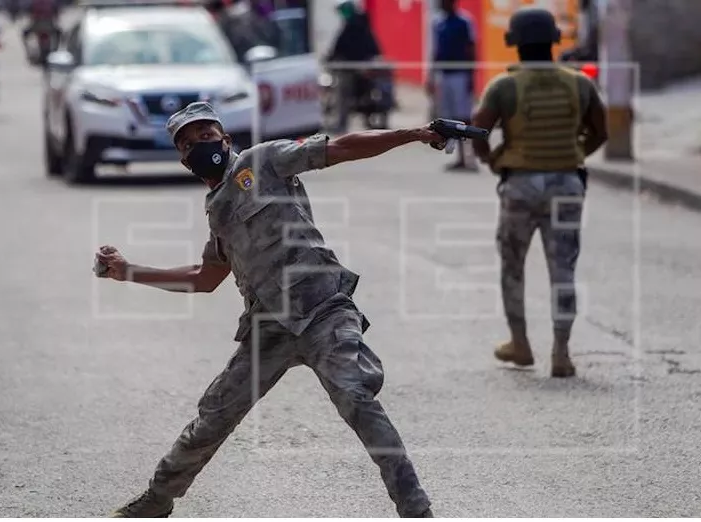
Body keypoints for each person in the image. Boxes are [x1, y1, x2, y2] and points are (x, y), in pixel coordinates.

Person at [96, 101, 456, 518]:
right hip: (268, 325)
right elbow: (205, 277)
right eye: (188, 143)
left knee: (357, 398)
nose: (199, 145)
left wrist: (412, 134)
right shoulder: (217, 210)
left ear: (225, 140)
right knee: (213, 415)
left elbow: (340, 148)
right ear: (182, 158)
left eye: (206, 135)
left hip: (323, 308)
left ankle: (417, 510)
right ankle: (157, 500)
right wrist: (128, 272)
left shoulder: (263, 161)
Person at [469, 6, 608, 378]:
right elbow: (600, 131)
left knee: (512, 266)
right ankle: (561, 353)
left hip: (520, 185)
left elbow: (477, 131)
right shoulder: (579, 82)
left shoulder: (503, 86)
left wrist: (495, 160)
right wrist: (575, 154)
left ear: (514, 43)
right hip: (567, 183)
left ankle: (520, 344)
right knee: (563, 269)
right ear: (552, 41)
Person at [426, 0, 477, 171]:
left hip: (460, 74)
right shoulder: (438, 23)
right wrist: (431, 76)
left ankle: (470, 156)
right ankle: (459, 157)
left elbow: (471, 49)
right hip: (445, 75)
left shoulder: (464, 22)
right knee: (450, 118)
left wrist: (471, 75)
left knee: (464, 116)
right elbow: (436, 51)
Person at [326, 0, 383, 133]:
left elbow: (340, 47)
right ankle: (365, 121)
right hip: (359, 65)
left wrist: (332, 57)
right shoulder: (362, 23)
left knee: (343, 95)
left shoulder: (353, 25)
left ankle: (342, 124)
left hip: (354, 68)